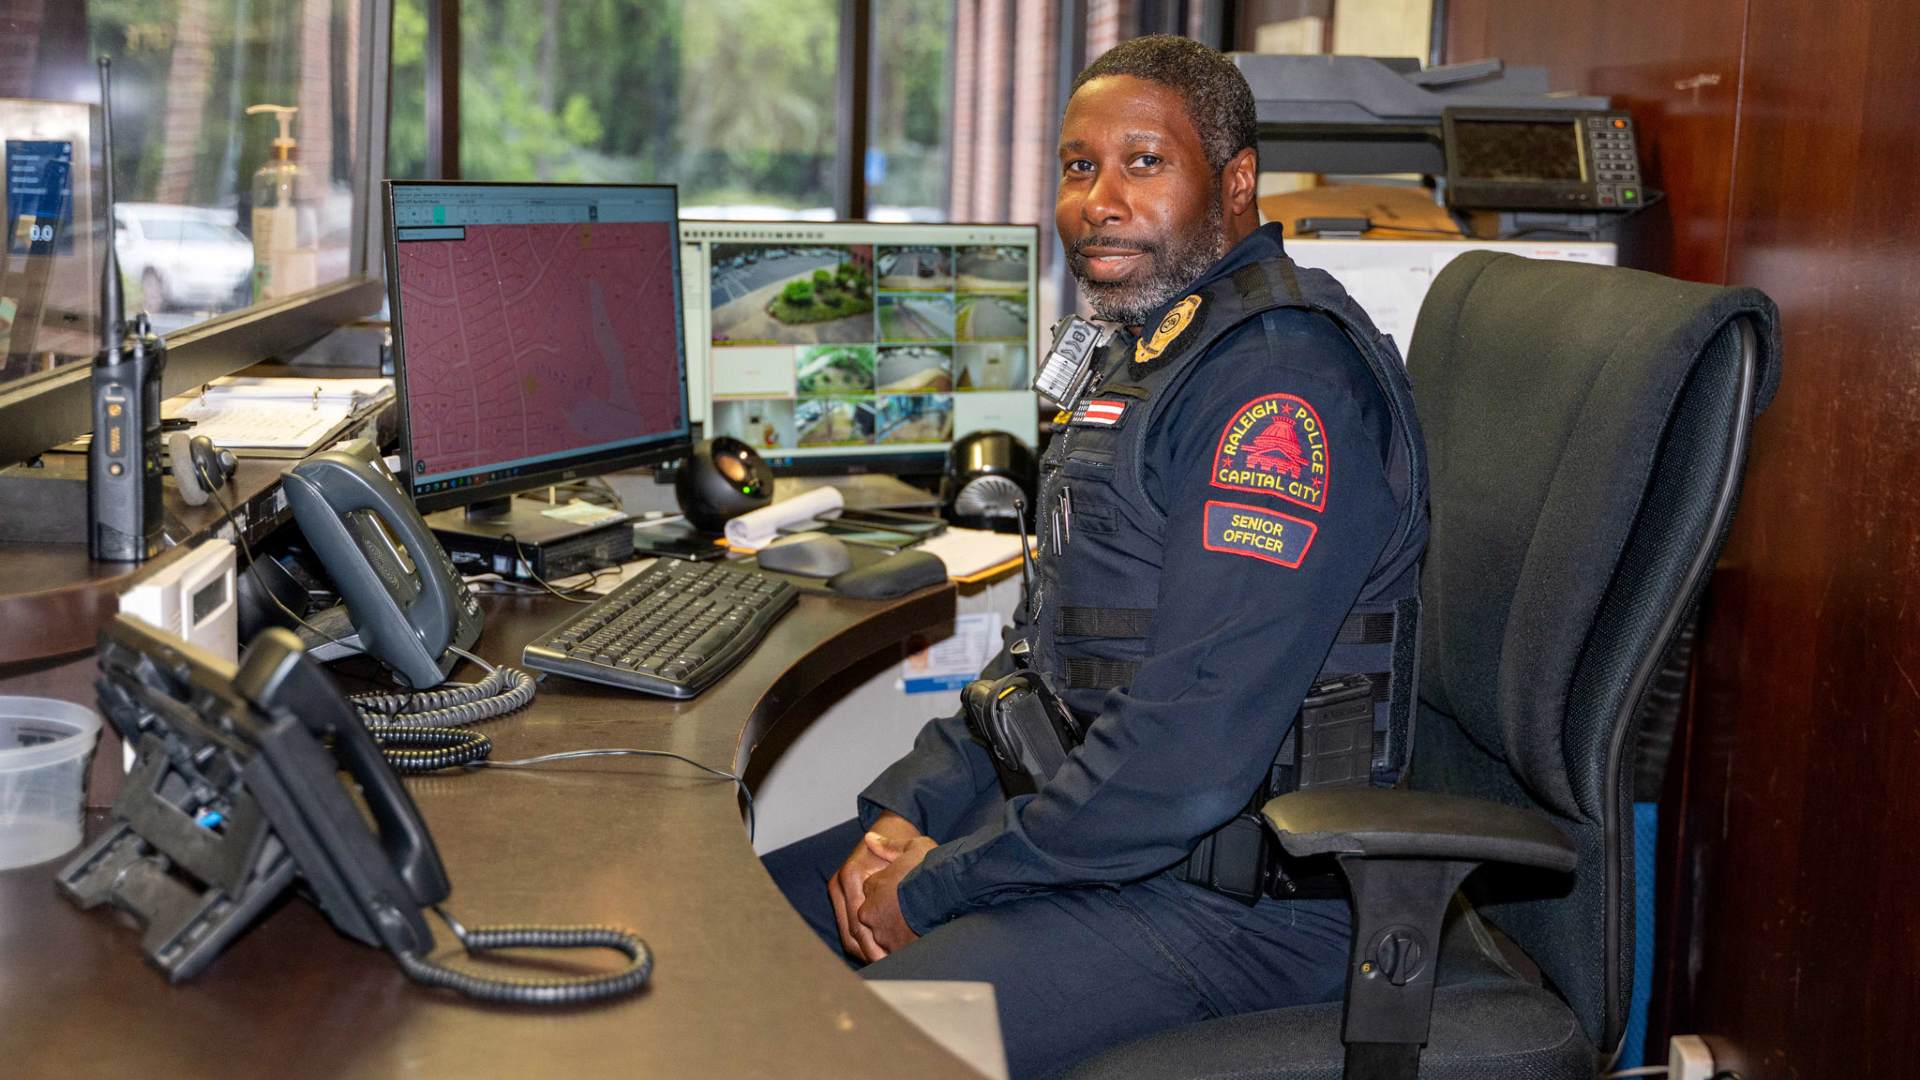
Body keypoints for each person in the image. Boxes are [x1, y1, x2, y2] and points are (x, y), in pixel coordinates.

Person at [764, 35, 1428, 1078]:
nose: (1099, 202)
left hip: (1239, 903)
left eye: (1143, 163)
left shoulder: (1278, 390)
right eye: (1080, 167)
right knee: (726, 928)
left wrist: (940, 886)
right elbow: (1053, 645)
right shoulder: (1154, 351)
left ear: (1236, 181)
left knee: (843, 1054)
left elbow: (1186, 755)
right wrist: (910, 807)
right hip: (1111, 838)